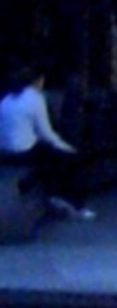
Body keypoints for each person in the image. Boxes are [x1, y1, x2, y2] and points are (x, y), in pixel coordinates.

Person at [1, 66, 95, 221]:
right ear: (38, 81)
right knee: (74, 160)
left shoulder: (6, 99)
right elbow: (46, 133)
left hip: (5, 151)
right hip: (25, 151)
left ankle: (49, 195)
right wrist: (66, 148)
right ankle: (76, 204)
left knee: (48, 156)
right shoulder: (35, 98)